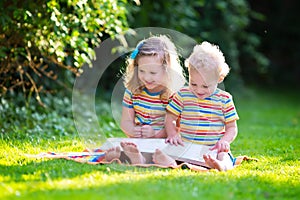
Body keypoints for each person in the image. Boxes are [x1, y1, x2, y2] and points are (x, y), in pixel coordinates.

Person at [155, 41, 240, 171]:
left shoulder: (224, 99)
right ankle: (173, 163)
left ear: (219, 79)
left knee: (224, 155)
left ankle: (220, 165)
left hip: (213, 148)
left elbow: (232, 128)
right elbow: (170, 117)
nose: (199, 90)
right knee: (165, 151)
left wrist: (224, 141)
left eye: (205, 86)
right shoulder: (183, 95)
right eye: (193, 84)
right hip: (187, 147)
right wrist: (172, 134)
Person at [105, 35, 185, 164]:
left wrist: (156, 134)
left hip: (163, 141)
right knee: (116, 145)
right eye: (142, 71)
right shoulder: (133, 91)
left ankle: (144, 158)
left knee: (171, 149)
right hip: (139, 142)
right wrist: (132, 130)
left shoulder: (173, 95)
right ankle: (136, 157)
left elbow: (178, 129)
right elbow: (125, 121)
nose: (147, 77)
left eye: (153, 73)